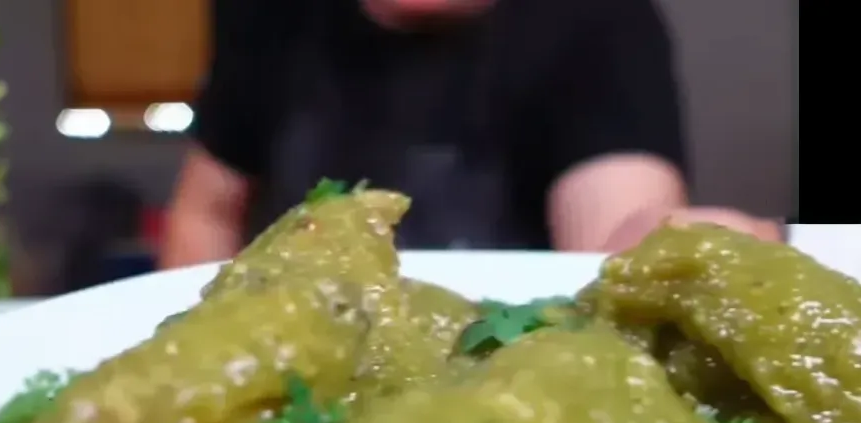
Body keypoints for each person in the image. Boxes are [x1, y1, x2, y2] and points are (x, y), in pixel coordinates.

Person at [160, 0, 780, 268]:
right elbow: (205, 212)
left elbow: (609, 242)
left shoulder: (598, 19)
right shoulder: (270, 13)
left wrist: (651, 243)